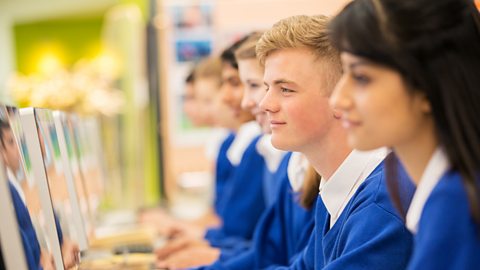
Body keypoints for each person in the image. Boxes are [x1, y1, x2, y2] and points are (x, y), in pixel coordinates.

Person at [329, 0, 480, 268]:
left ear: (427, 85)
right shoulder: (443, 189)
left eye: (361, 77)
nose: (338, 99)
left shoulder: (456, 201)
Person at [257, 14, 413, 269]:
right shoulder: (336, 189)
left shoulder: (381, 204)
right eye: (266, 87)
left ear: (343, 97)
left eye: (285, 89)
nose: (265, 104)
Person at [197, 31, 320, 270]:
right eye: (262, 87)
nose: (249, 101)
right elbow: (271, 250)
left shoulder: (368, 191)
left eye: (252, 85)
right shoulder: (293, 166)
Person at [156, 36, 267, 268]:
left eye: (204, 99)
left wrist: (213, 254)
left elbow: (239, 230)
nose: (225, 99)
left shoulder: (258, 149)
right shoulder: (235, 145)